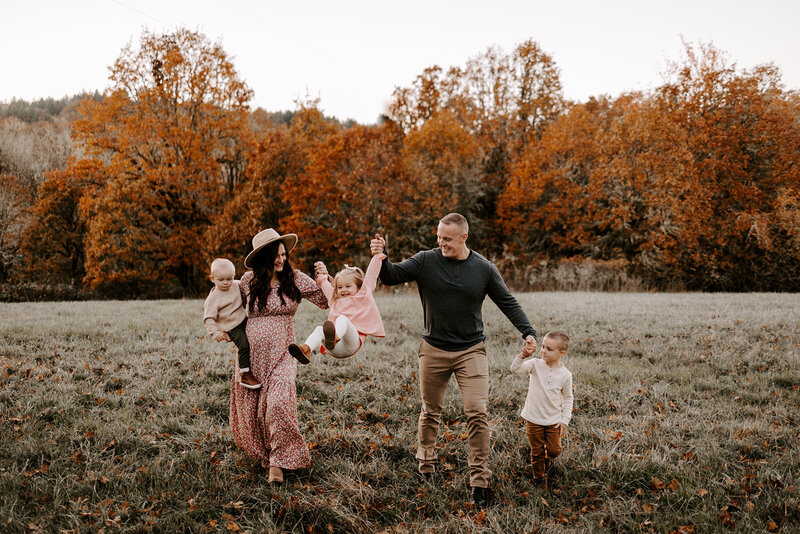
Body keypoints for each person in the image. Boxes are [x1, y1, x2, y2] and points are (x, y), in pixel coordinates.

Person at [369, 213, 538, 507]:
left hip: (471, 350)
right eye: (438, 237)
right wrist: (381, 256)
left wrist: (528, 331)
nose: (440, 243)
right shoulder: (426, 260)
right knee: (430, 410)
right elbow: (392, 276)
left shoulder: (483, 268)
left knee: (477, 412)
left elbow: (507, 301)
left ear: (464, 238)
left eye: (447, 238)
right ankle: (425, 463)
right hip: (433, 349)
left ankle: (479, 481)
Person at [228, 228, 329, 484]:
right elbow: (227, 307)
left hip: (284, 352)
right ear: (263, 258)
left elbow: (328, 301)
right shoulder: (246, 282)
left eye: (284, 254)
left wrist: (326, 279)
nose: (281, 260)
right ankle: (267, 455)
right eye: (276, 256)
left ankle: (280, 462)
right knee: (253, 408)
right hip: (252, 356)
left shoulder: (294, 279)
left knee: (278, 403)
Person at [288, 253, 386, 364]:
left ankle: (335, 336)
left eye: (348, 286)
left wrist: (377, 256)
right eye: (339, 287)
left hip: (353, 343)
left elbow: (371, 275)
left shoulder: (363, 295)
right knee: (319, 329)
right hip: (335, 349)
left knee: (342, 319)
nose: (343, 290)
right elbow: (324, 284)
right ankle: (306, 349)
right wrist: (322, 275)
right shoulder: (335, 300)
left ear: (358, 286)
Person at [510, 331, 574, 489]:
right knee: (536, 451)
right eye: (543, 346)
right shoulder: (535, 365)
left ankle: (546, 459)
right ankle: (539, 477)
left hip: (553, 420)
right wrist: (522, 356)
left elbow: (568, 398)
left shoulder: (565, 375)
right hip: (533, 418)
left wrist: (564, 420)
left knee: (554, 451)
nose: (543, 350)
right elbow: (515, 369)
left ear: (562, 353)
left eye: (549, 349)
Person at [203, 258, 260, 389]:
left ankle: (259, 365)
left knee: (257, 337)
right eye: (221, 280)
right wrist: (215, 332)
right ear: (212, 279)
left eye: (229, 278)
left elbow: (248, 284)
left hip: (244, 318)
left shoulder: (235, 285)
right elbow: (208, 318)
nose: (226, 283)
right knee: (244, 346)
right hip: (232, 327)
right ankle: (244, 374)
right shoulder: (213, 298)